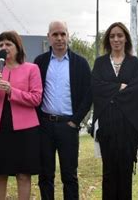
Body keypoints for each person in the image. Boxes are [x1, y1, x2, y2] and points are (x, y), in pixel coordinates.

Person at [0, 31, 43, 200]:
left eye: (8, 44)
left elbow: (36, 99)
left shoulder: (32, 69)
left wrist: (11, 91)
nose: (4, 47)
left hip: (25, 130)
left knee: (23, 175)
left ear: (18, 47)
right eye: (1, 45)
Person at [34, 20, 92, 200]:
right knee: (45, 175)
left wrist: (75, 121)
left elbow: (88, 95)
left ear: (68, 36)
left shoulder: (80, 63)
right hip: (44, 126)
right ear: (49, 37)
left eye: (63, 34)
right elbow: (34, 92)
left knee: (69, 175)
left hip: (68, 126)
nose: (59, 38)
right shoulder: (40, 62)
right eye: (55, 34)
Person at [91, 22, 138, 199]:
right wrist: (119, 87)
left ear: (126, 39)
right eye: (112, 36)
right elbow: (96, 88)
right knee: (108, 174)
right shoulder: (100, 63)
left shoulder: (134, 63)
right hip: (106, 126)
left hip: (128, 126)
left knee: (125, 174)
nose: (116, 39)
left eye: (120, 35)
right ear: (108, 39)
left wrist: (110, 93)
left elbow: (136, 91)